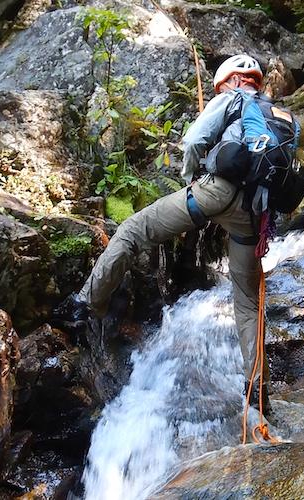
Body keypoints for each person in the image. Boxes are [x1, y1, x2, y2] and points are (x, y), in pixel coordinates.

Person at [69, 54, 273, 408]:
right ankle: (257, 390)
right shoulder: (276, 116)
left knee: (135, 229)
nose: (220, 91)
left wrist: (191, 177)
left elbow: (194, 140)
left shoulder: (231, 99)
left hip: (216, 192)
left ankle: (87, 303)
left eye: (220, 86)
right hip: (254, 215)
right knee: (248, 303)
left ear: (234, 81)